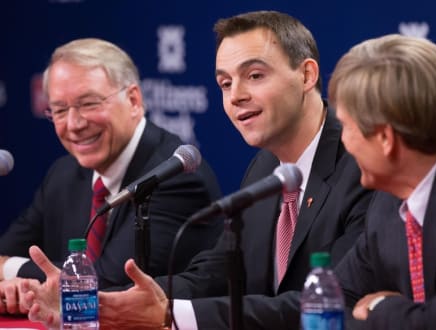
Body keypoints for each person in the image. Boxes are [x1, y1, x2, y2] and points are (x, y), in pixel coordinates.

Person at [22, 11, 372, 329]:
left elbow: (336, 301)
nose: (236, 96)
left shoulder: (362, 166)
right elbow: (218, 271)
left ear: (307, 74)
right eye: (225, 83)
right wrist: (127, 300)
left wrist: (171, 313)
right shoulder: (265, 168)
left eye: (254, 75)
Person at [0, 38, 223, 314]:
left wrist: (11, 269)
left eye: (89, 104)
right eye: (59, 110)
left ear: (133, 100)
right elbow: (7, 248)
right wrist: (11, 281)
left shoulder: (175, 175)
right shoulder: (63, 174)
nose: (74, 124)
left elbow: (106, 285)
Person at [327, 34, 436, 329]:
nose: (343, 141)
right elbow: (332, 302)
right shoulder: (388, 205)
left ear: (385, 138)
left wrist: (380, 306)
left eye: (346, 126)